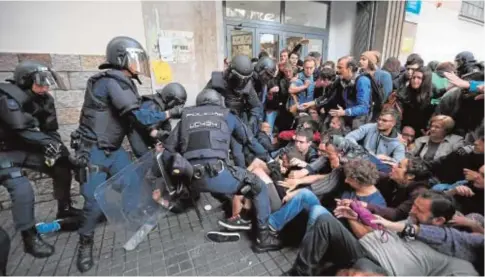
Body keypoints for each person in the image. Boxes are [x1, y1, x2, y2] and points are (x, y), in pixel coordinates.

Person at [71, 36, 172, 272]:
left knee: (133, 182)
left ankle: (130, 219)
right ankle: (85, 242)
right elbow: (138, 116)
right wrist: (168, 114)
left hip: (114, 151)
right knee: (94, 204)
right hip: (93, 151)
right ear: (121, 58)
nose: (138, 64)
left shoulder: (125, 82)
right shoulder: (109, 82)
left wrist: (152, 139)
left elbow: (131, 124)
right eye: (135, 59)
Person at [161, 88, 282, 253]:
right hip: (216, 175)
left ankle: (237, 216)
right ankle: (264, 238)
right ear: (219, 102)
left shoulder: (186, 117)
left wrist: (177, 182)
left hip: (190, 178)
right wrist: (269, 159)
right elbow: (249, 141)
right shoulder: (226, 115)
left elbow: (167, 152)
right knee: (257, 186)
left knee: (230, 185)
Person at [0, 60, 81, 258]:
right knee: (21, 187)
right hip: (4, 152)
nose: (44, 87)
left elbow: (50, 131)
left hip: (27, 149)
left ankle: (65, 209)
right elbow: (20, 129)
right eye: (39, 83)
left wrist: (60, 152)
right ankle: (29, 237)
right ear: (25, 81)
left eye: (47, 82)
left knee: (62, 165)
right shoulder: (6, 97)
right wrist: (46, 143)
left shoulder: (45, 99)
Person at [127, 82, 187, 158]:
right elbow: (152, 131)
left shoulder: (161, 106)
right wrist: (172, 138)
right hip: (142, 147)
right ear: (170, 98)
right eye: (176, 103)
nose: (175, 106)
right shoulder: (151, 105)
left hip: (148, 145)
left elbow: (164, 128)